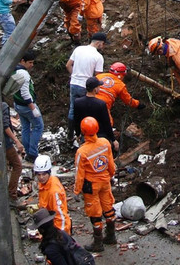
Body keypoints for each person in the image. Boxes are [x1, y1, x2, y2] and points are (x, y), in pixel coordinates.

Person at [74, 116, 116, 251]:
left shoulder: (82, 151)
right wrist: (111, 174)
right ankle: (111, 236)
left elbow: (79, 174)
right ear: (97, 128)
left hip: (91, 185)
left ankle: (98, 243)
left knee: (95, 213)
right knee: (108, 207)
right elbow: (111, 163)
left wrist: (76, 191)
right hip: (105, 181)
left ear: (82, 131)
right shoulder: (105, 143)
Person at [2, 49, 44, 162]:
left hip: (18, 104)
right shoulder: (24, 74)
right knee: (38, 126)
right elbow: (25, 92)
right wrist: (33, 108)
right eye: (30, 62)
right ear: (22, 61)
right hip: (26, 106)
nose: (31, 65)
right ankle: (33, 153)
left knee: (26, 128)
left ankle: (27, 150)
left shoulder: (14, 70)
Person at [66, 32, 106, 123]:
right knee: (86, 112)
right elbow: (98, 75)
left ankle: (70, 134)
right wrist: (96, 88)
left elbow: (68, 65)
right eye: (103, 44)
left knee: (73, 108)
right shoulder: (98, 57)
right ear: (98, 43)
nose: (103, 46)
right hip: (86, 86)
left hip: (73, 84)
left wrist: (74, 76)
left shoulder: (78, 49)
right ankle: (83, 133)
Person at [72, 77, 117, 151]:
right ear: (95, 89)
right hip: (100, 136)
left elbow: (76, 120)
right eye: (99, 87)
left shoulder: (77, 102)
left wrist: (78, 134)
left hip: (86, 136)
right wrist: (113, 139)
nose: (99, 88)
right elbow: (106, 123)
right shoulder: (101, 104)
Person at [34, 155, 71, 233]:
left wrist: (61, 236)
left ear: (49, 172)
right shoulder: (46, 183)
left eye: (44, 174)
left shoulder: (53, 192)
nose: (41, 177)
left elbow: (60, 217)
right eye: (39, 174)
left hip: (58, 228)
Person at [0, 101, 26, 205]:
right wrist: (16, 141)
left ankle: (0, 193)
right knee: (17, 165)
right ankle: (12, 195)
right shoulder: (3, 106)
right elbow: (5, 126)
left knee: (2, 168)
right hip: (5, 143)